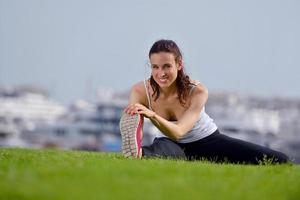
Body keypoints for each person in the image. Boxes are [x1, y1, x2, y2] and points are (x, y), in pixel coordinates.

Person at [119, 39, 290, 164]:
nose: (161, 73)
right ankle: (140, 154)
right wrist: (136, 134)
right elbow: (137, 127)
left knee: (280, 160)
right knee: (159, 152)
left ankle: (146, 154)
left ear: (179, 64)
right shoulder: (140, 91)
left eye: (166, 66)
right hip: (169, 143)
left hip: (208, 141)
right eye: (155, 67)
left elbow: (179, 131)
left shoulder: (197, 91)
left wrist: (152, 115)